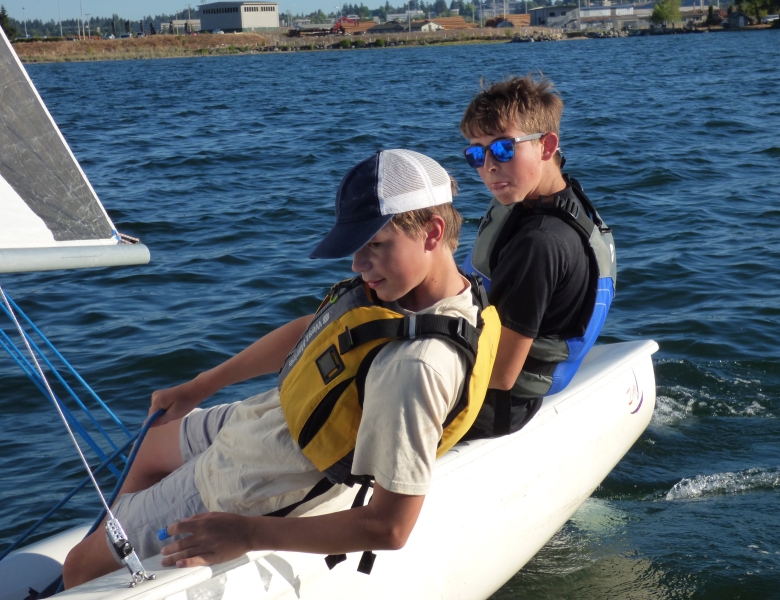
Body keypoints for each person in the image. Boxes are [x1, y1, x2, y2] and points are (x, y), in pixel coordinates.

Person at [62, 149, 499, 589]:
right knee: (150, 443)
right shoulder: (420, 292)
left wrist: (248, 534)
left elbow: (390, 526)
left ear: (432, 232)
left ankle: (107, 558)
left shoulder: (417, 367)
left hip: (258, 477)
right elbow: (315, 329)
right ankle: (117, 539)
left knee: (78, 567)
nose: (356, 264)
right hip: (268, 418)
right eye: (355, 245)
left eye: (375, 244)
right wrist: (200, 386)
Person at [459, 75, 617, 440]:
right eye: (476, 154)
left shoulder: (539, 244)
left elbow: (501, 375)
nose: (488, 166)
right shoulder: (557, 199)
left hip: (496, 405)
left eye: (503, 149)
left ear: (547, 146)